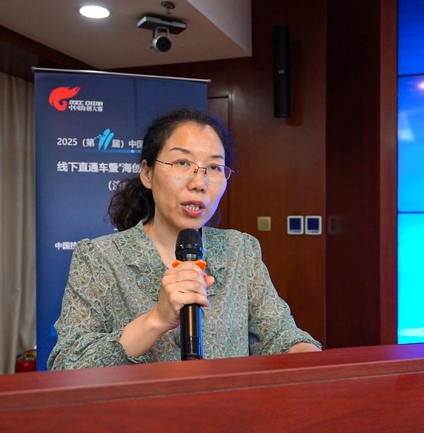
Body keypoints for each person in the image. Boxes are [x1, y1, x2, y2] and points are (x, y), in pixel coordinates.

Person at [47, 107, 321, 370]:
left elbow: (281, 337)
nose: (199, 183)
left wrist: (312, 361)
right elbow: (68, 365)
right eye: (182, 163)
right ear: (147, 173)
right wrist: (156, 319)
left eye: (214, 167)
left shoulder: (240, 250)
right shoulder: (99, 258)